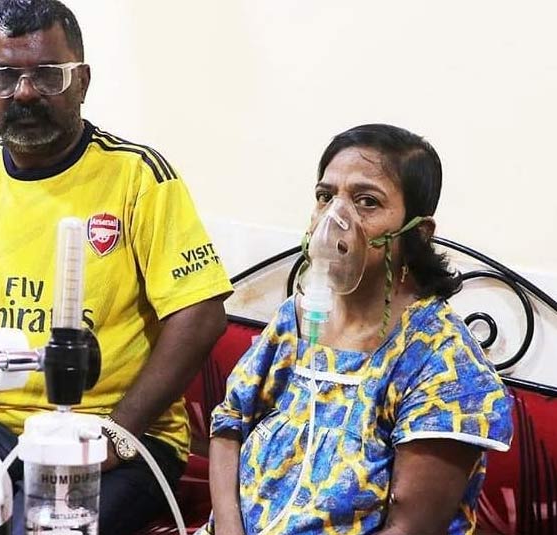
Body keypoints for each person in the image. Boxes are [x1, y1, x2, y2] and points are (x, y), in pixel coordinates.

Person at [0, 0, 233, 533]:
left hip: (112, 437)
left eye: (47, 74)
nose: (25, 93)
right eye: (4, 76)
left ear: (83, 81)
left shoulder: (138, 177)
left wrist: (118, 434)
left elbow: (201, 314)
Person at [205, 124, 512, 535]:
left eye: (367, 201)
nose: (335, 219)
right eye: (325, 196)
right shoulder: (295, 319)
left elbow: (410, 528)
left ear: (417, 233)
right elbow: (229, 425)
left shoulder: (443, 363)